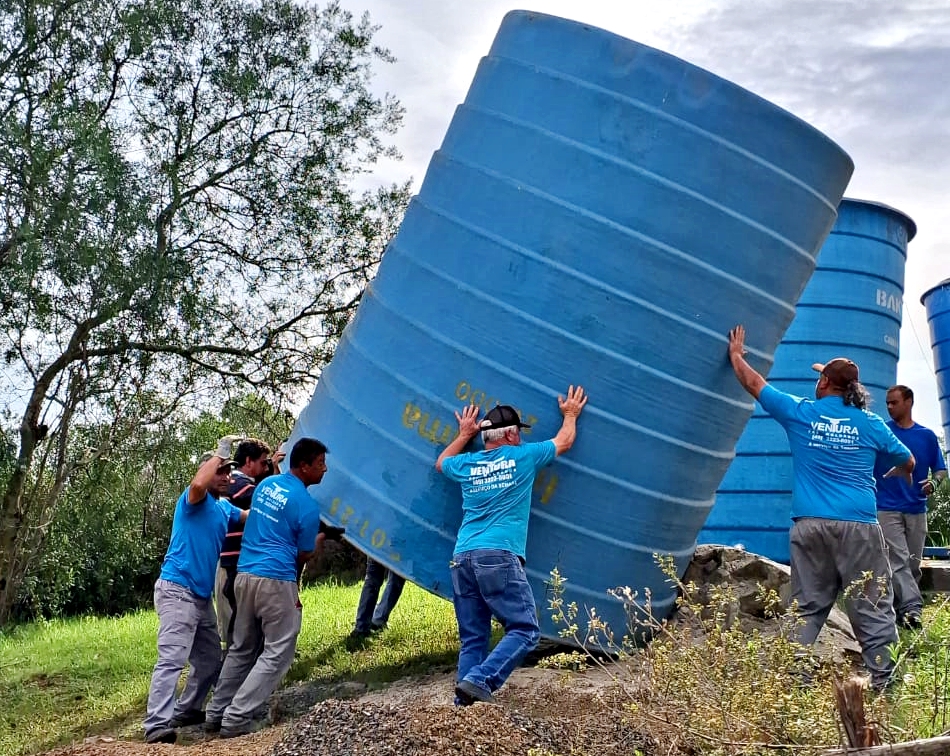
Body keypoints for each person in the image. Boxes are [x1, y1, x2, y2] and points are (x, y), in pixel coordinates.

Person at [727, 325, 914, 690]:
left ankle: (792, 686)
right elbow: (907, 459)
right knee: (872, 607)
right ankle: (885, 688)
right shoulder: (871, 423)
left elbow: (754, 384)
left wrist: (736, 356)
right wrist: (900, 470)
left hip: (810, 526)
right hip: (859, 527)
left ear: (825, 382)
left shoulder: (802, 413)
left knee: (806, 609)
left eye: (820, 377)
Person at [436, 386, 588, 705]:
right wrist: (571, 414)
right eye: (518, 432)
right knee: (525, 629)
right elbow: (564, 441)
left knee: (473, 639)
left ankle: (463, 709)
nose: (520, 437)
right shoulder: (523, 456)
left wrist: (464, 434)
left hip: (462, 558)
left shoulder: (468, 465)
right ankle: (480, 680)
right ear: (510, 435)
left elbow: (442, 463)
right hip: (498, 556)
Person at [205, 437, 328, 737]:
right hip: (276, 580)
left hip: (244, 576)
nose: (325, 470)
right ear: (304, 466)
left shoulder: (265, 486)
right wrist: (320, 540)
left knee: (241, 648)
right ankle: (236, 717)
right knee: (279, 650)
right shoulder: (308, 506)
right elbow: (303, 553)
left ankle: (216, 712)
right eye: (320, 464)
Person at [142, 435, 247, 744]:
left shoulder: (224, 508)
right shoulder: (192, 501)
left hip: (200, 598)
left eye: (229, 472)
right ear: (207, 470)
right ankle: (156, 726)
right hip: (177, 590)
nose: (227, 477)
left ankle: (187, 709)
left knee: (210, 658)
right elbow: (199, 484)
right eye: (221, 471)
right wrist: (220, 452)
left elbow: (251, 517)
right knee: (172, 659)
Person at [874, 385, 948, 629]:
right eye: (887, 402)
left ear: (909, 402)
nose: (889, 407)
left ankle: (902, 612)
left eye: (894, 402)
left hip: (917, 509)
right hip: (886, 508)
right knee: (898, 559)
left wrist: (934, 484)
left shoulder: (926, 436)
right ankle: (914, 609)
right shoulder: (882, 432)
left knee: (912, 564)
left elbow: (940, 470)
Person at [215, 438, 275, 653]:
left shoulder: (241, 484)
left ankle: (244, 656)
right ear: (249, 461)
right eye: (263, 462)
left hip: (238, 562)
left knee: (245, 616)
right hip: (236, 561)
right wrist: (276, 476)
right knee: (242, 617)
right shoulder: (238, 483)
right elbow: (264, 501)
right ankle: (237, 658)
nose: (265, 467)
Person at [347, 557, 406, 647]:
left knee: (376, 578)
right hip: (398, 549)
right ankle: (371, 623)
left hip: (383, 548)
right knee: (394, 577)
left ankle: (365, 625)